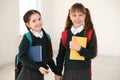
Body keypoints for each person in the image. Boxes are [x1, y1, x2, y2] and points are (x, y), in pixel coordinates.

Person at [55, 3, 97, 80]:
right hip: (68, 72)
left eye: (80, 15)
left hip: (84, 72)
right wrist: (58, 73)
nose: (77, 18)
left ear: (85, 16)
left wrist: (79, 48)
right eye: (74, 15)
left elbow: (93, 54)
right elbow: (60, 55)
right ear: (70, 16)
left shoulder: (89, 33)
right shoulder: (65, 34)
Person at [17, 10, 56, 80]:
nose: (38, 22)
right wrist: (38, 68)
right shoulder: (27, 37)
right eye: (34, 21)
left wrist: (57, 72)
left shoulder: (47, 37)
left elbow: (49, 58)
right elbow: (21, 56)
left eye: (39, 19)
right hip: (27, 74)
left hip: (39, 75)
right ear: (28, 24)